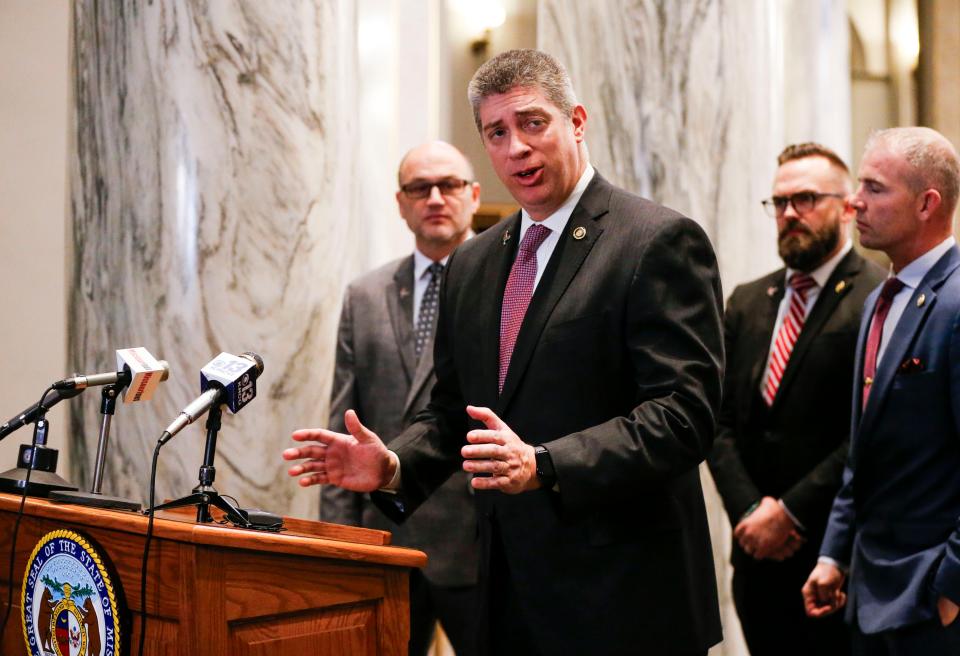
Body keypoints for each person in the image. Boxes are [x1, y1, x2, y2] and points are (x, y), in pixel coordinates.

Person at [285, 49, 724, 655]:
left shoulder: (654, 240)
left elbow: (684, 415)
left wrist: (544, 463)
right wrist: (394, 465)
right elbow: (452, 409)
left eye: (532, 123)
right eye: (497, 132)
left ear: (576, 120)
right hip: (509, 596)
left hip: (623, 600)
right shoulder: (473, 261)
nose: (516, 147)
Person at [708, 143, 884, 655]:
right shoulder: (746, 300)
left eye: (805, 199)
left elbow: (869, 431)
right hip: (755, 557)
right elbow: (716, 419)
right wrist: (748, 511)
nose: (789, 214)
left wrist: (789, 513)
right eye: (779, 202)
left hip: (834, 557)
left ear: (847, 206)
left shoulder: (876, 296)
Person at [802, 126, 960, 654]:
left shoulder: (956, 303)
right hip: (869, 594)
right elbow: (863, 453)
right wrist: (832, 555)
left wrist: (952, 588)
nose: (854, 201)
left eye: (874, 188)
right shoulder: (880, 299)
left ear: (926, 203)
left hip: (934, 601)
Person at [322, 141, 481, 656]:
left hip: (479, 546)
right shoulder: (364, 295)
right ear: (401, 201)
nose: (435, 198)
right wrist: (340, 545)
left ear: (474, 196)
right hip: (387, 541)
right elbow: (343, 427)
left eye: (449, 185)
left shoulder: (510, 284)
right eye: (419, 188)